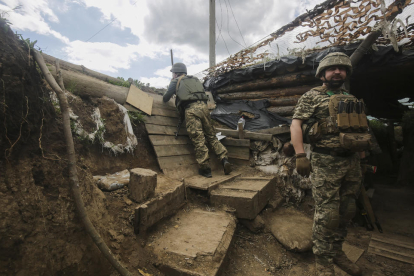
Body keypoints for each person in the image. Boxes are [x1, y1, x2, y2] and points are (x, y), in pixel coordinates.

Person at [290, 52, 370, 276]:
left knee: (347, 210)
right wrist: (300, 155)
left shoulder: (351, 99)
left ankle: (336, 252)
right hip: (326, 160)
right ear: (323, 73)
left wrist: (362, 159)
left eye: (342, 68)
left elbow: (359, 129)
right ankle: (323, 261)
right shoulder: (312, 96)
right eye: (332, 68)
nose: (338, 71)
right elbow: (296, 125)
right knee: (328, 214)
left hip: (351, 162)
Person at [163, 62, 232, 178]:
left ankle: (205, 169)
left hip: (191, 110)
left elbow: (165, 98)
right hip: (204, 109)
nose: (173, 75)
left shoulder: (175, 81)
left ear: (175, 73)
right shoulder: (194, 80)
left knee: (198, 139)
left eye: (173, 73)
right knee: (211, 136)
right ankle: (224, 159)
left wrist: (172, 86)